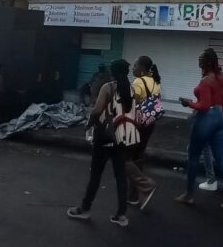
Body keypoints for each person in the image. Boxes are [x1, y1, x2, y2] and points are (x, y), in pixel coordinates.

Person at [67, 59, 139, 227]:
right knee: (121, 176)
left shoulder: (108, 87)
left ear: (113, 72)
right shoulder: (132, 89)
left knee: (96, 175)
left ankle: (84, 209)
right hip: (122, 138)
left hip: (105, 137)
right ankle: (121, 215)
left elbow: (97, 110)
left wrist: (89, 124)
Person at [175, 48, 223, 215]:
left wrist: (188, 103)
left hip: (206, 119)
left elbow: (203, 105)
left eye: (200, 61)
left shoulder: (206, 81)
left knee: (193, 156)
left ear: (206, 63)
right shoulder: (222, 77)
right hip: (219, 117)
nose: (198, 63)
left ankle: (189, 194)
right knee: (222, 158)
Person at [125, 55, 161, 210]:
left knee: (125, 158)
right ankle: (133, 196)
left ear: (140, 68)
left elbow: (129, 101)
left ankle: (145, 186)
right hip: (149, 123)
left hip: (137, 123)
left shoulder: (138, 82)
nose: (132, 68)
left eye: (134, 65)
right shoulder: (155, 81)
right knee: (137, 158)